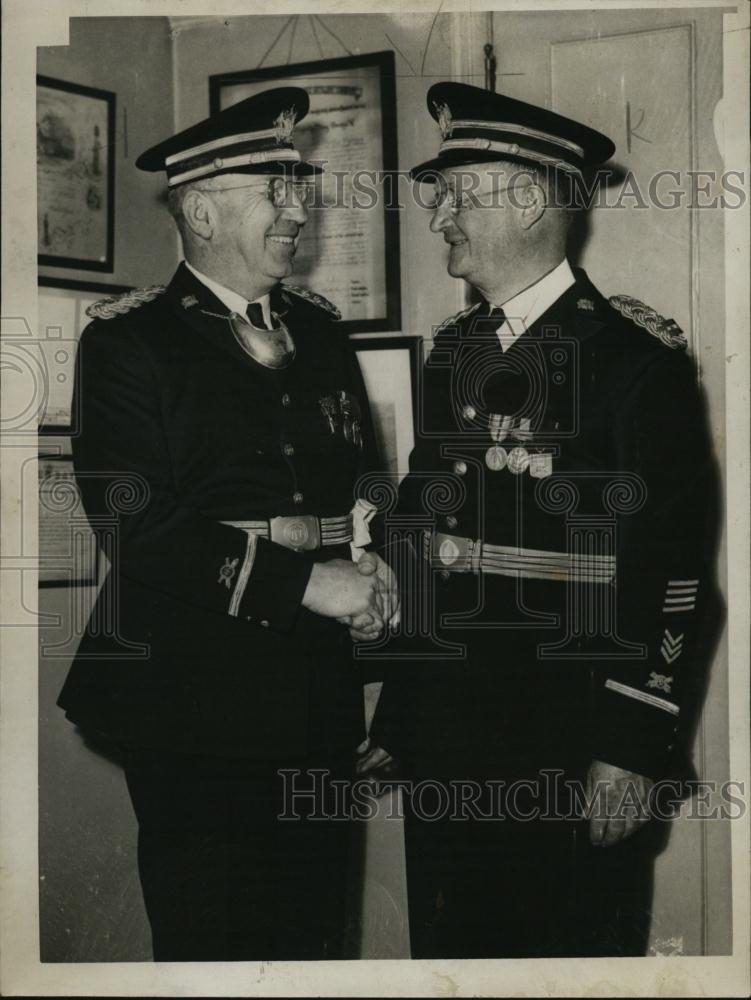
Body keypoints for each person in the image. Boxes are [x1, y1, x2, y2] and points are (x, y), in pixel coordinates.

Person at [360, 82, 718, 957]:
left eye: (458, 190)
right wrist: (399, 718)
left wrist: (633, 744)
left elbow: (671, 572)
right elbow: (424, 529)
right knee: (451, 956)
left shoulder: (635, 363)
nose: (438, 211)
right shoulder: (458, 349)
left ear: (529, 200)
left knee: (561, 959)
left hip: (566, 734)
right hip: (448, 734)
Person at [57, 87, 397, 961]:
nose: (298, 208)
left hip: (316, 696)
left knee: (315, 940)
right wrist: (313, 583)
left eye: (299, 186)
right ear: (201, 208)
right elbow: (135, 523)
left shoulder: (319, 333)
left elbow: (361, 484)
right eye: (273, 188)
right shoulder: (130, 343)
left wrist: (373, 566)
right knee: (218, 949)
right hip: (190, 703)